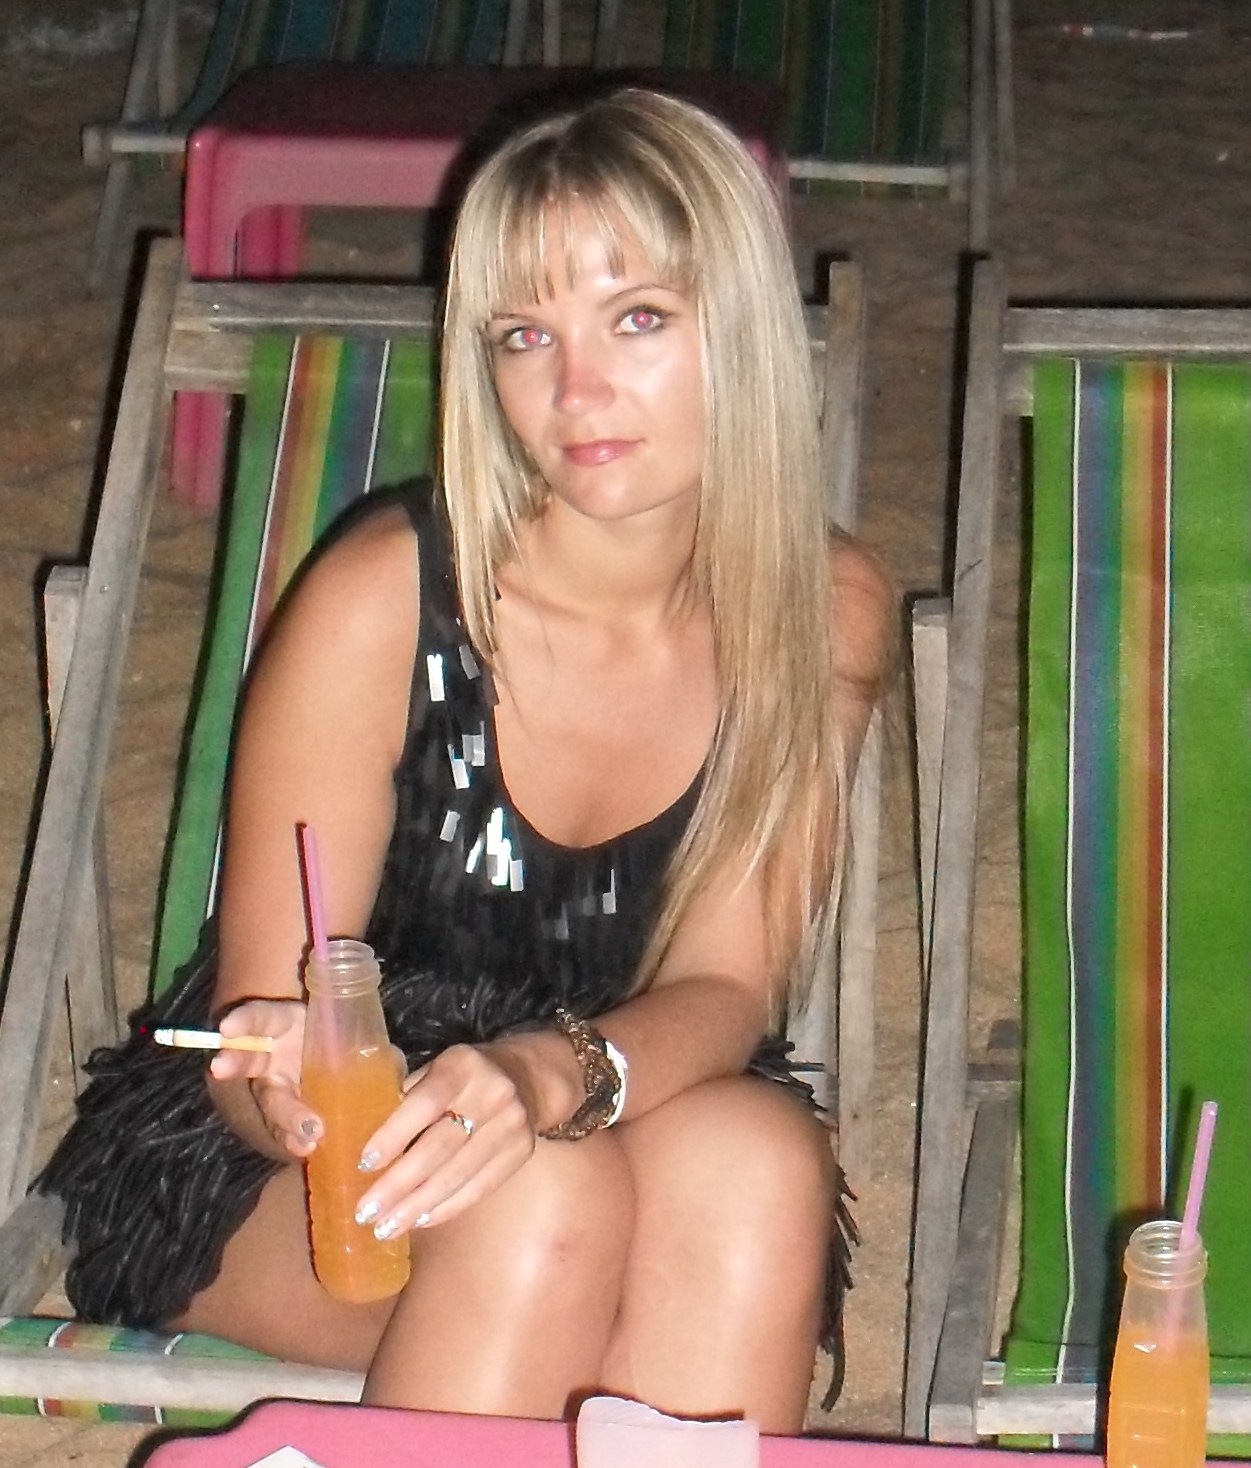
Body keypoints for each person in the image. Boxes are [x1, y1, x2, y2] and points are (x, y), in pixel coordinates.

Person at [41, 86, 893, 1433]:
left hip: (609, 1075)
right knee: (541, 1195)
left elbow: (728, 981)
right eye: (523, 336)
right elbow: (261, 1037)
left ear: (737, 324)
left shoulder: (821, 609)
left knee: (755, 1168)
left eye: (637, 319)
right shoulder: (383, 601)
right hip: (297, 1172)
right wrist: (309, 1095)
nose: (577, 391)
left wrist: (547, 1077)